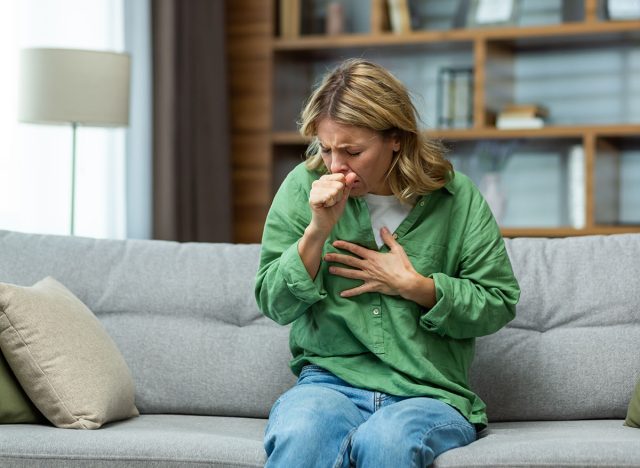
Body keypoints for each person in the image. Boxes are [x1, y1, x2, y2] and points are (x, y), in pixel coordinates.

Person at [254, 58, 520, 468]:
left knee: (387, 440)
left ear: (395, 138)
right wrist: (317, 230)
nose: (336, 166)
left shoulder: (457, 199)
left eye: (353, 151)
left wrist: (417, 287)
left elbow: (498, 302)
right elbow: (274, 303)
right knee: (302, 432)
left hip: (427, 393)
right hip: (329, 384)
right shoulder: (301, 187)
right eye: (326, 149)